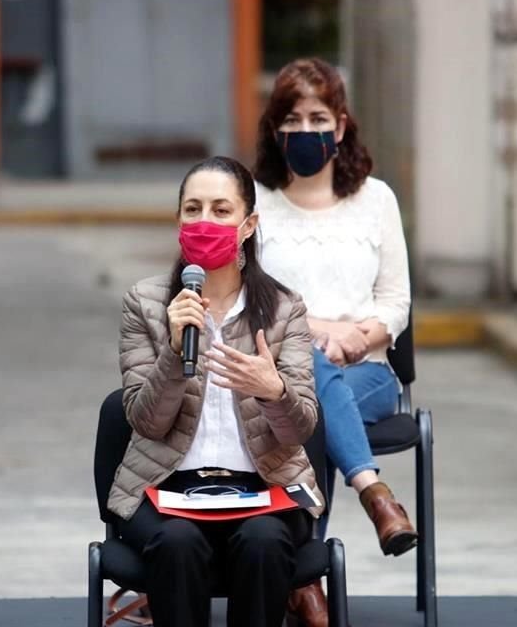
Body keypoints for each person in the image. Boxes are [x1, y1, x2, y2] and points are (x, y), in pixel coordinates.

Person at [109, 156, 323, 627]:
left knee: (264, 542)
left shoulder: (285, 309)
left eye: (221, 210)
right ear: (178, 220)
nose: (204, 221)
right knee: (177, 544)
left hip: (263, 488)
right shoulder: (145, 303)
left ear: (248, 225)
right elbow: (146, 421)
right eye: (193, 209)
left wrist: (274, 391)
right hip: (167, 488)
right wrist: (172, 351)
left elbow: (301, 427)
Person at [253, 58, 418, 625]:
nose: (305, 130)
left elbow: (396, 301)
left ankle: (306, 575)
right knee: (309, 387)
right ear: (276, 130)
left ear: (341, 126)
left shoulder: (377, 200)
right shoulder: (254, 203)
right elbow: (256, 300)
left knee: (315, 399)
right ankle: (374, 493)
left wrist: (361, 336)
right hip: (277, 372)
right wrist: (324, 332)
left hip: (368, 371)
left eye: (318, 117)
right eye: (292, 119)